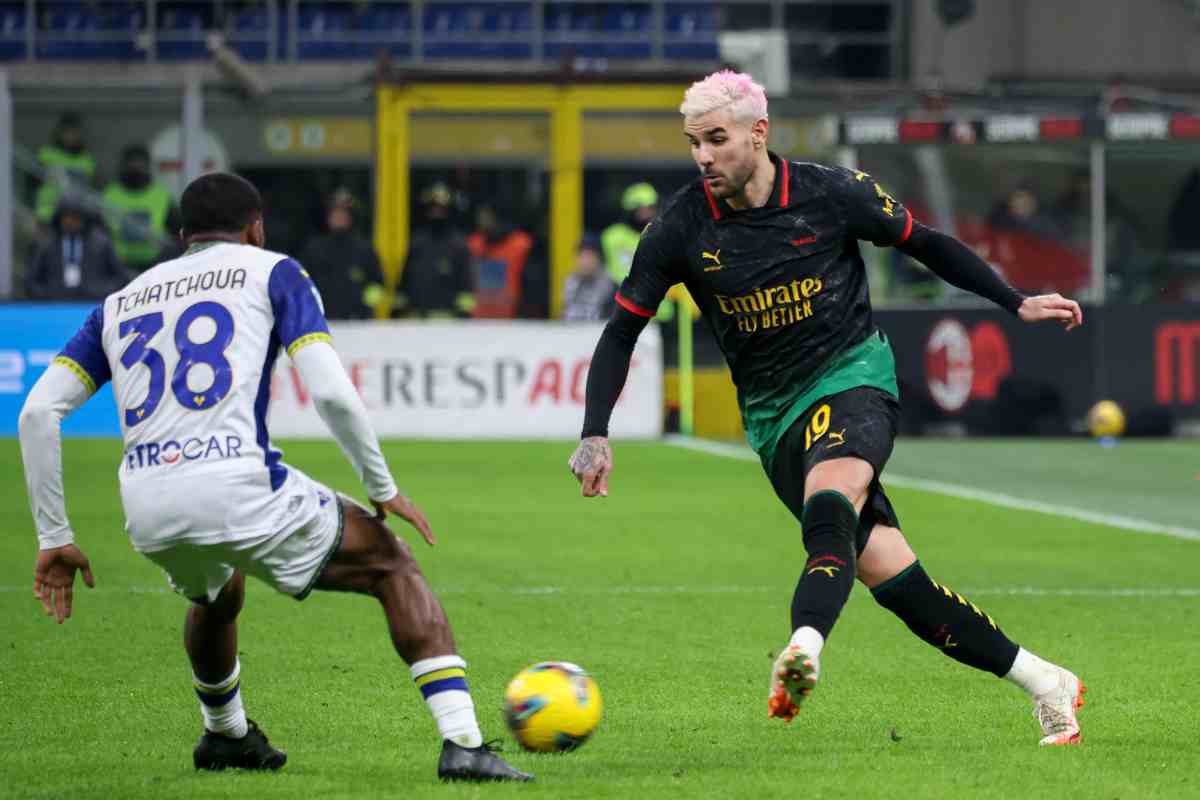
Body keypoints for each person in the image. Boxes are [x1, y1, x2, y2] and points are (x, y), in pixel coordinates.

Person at [568, 71, 1087, 747]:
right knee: (897, 582)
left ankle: (805, 646)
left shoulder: (831, 193)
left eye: (716, 139)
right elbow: (621, 331)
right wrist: (594, 433)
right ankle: (1046, 682)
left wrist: (1014, 299)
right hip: (773, 418)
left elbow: (925, 242)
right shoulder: (679, 227)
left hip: (853, 376)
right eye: (693, 143)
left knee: (833, 488)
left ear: (758, 134)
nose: (702, 157)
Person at [18, 172, 531, 782]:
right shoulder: (273, 271)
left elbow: (37, 413)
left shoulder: (123, 299)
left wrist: (55, 535)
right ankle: (464, 743)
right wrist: (382, 486)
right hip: (238, 482)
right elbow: (333, 395)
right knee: (391, 563)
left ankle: (226, 736)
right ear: (256, 227)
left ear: (183, 236)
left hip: (148, 505)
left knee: (217, 591)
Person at [299, 188, 386, 319]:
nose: (339, 217)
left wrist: (364, 307)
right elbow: (301, 284)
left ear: (351, 217)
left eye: (343, 213)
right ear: (327, 217)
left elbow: (377, 284)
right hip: (321, 322)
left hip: (357, 323)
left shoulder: (364, 249)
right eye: (335, 213)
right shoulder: (314, 249)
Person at [26, 194, 129, 300]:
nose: (70, 221)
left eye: (75, 217)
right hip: (55, 306)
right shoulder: (46, 244)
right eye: (66, 217)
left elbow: (121, 278)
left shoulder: (101, 244)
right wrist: (50, 293)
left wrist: (99, 290)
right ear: (59, 218)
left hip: (91, 303)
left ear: (84, 218)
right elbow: (31, 283)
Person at [396, 182, 475, 318]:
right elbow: (405, 281)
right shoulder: (417, 243)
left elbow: (466, 285)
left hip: (447, 321)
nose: (436, 212)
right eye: (433, 208)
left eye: (441, 208)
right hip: (415, 319)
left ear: (448, 210)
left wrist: (463, 316)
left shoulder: (458, 246)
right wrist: (398, 311)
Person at [102, 145, 181, 273]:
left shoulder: (161, 196)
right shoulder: (110, 194)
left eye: (140, 164)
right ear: (123, 166)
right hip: (117, 267)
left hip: (154, 266)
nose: (135, 168)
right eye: (131, 163)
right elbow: (99, 234)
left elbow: (177, 233)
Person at [601, 182, 674, 321]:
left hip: (662, 313)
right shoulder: (612, 236)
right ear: (630, 209)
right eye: (641, 209)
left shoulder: (664, 236)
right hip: (624, 308)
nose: (646, 214)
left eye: (650, 208)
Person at [467, 203, 532, 319]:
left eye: (487, 218)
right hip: (478, 321)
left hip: (512, 320)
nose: (482, 223)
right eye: (481, 218)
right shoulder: (474, 245)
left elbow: (530, 283)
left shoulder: (520, 245)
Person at [34, 112, 97, 225]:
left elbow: (89, 186)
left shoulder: (87, 159)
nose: (70, 136)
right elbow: (34, 181)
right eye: (67, 132)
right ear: (59, 133)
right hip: (48, 212)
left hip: (75, 215)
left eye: (74, 133)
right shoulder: (46, 153)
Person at [561, 234, 615, 322]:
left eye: (589, 256)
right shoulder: (570, 283)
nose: (585, 262)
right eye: (581, 256)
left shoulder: (611, 287)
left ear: (599, 259)